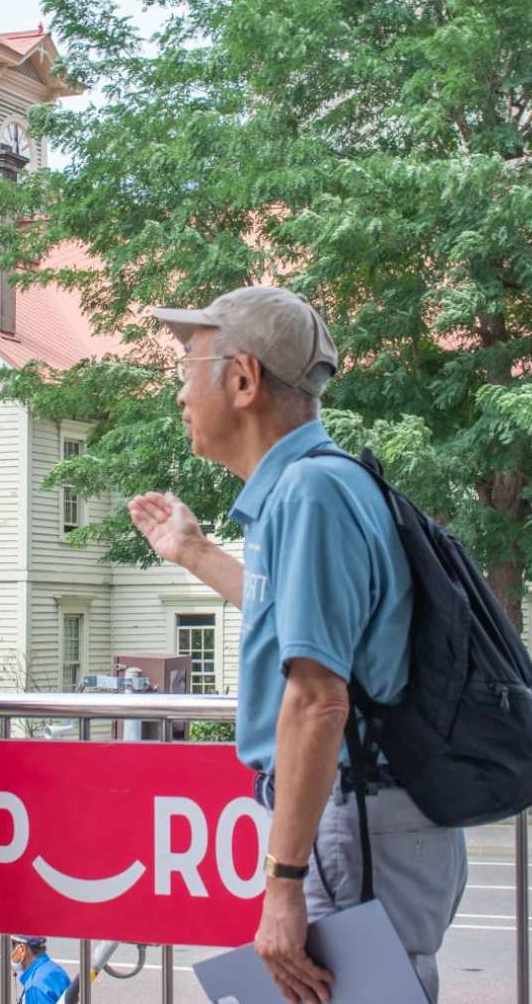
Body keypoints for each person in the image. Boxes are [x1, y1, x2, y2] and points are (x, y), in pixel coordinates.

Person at [128, 288, 467, 1004]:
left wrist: (281, 884)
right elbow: (296, 620)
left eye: (187, 366)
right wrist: (193, 554)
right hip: (356, 816)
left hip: (352, 820)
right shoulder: (316, 487)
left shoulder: (309, 495)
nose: (180, 394)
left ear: (243, 379)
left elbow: (317, 700)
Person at [8, 935, 72, 1004]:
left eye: (12, 945)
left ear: (22, 949)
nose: (10, 951)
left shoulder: (34, 988)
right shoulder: (56, 969)